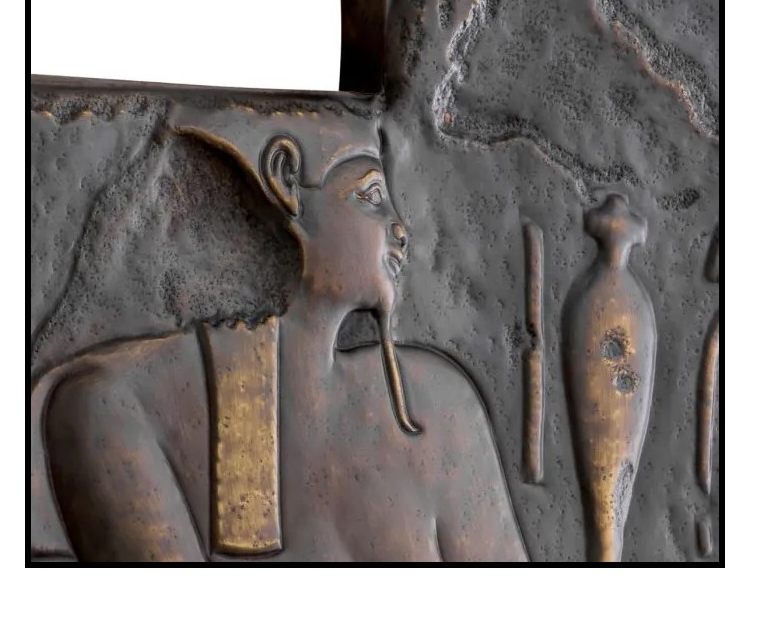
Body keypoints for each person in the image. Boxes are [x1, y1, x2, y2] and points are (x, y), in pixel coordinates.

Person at [30, 103, 528, 563]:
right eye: (371, 196)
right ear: (287, 180)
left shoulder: (440, 406)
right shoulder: (111, 403)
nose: (399, 227)